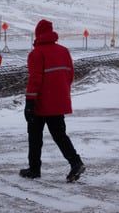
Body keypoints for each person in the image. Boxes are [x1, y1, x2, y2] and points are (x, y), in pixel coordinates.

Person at [20, 18, 85, 182]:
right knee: (59, 135)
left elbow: (35, 80)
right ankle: (75, 162)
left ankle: (34, 168)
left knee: (35, 135)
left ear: (38, 34)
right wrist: (60, 92)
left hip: (41, 102)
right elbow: (70, 75)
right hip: (58, 101)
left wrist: (29, 102)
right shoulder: (64, 51)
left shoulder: (36, 53)